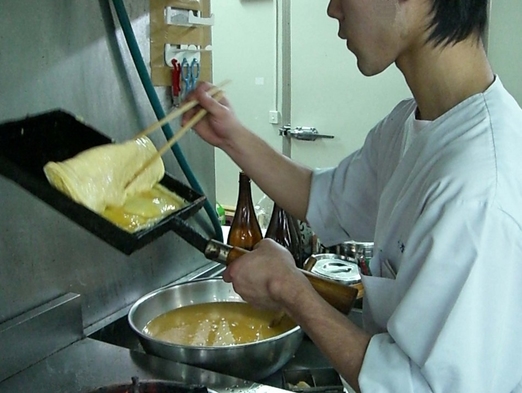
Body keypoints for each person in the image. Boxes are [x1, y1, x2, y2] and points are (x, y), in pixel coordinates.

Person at [183, 0, 522, 391]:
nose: (332, 8)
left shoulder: (479, 187)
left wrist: (291, 289)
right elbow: (324, 198)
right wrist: (233, 137)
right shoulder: (410, 125)